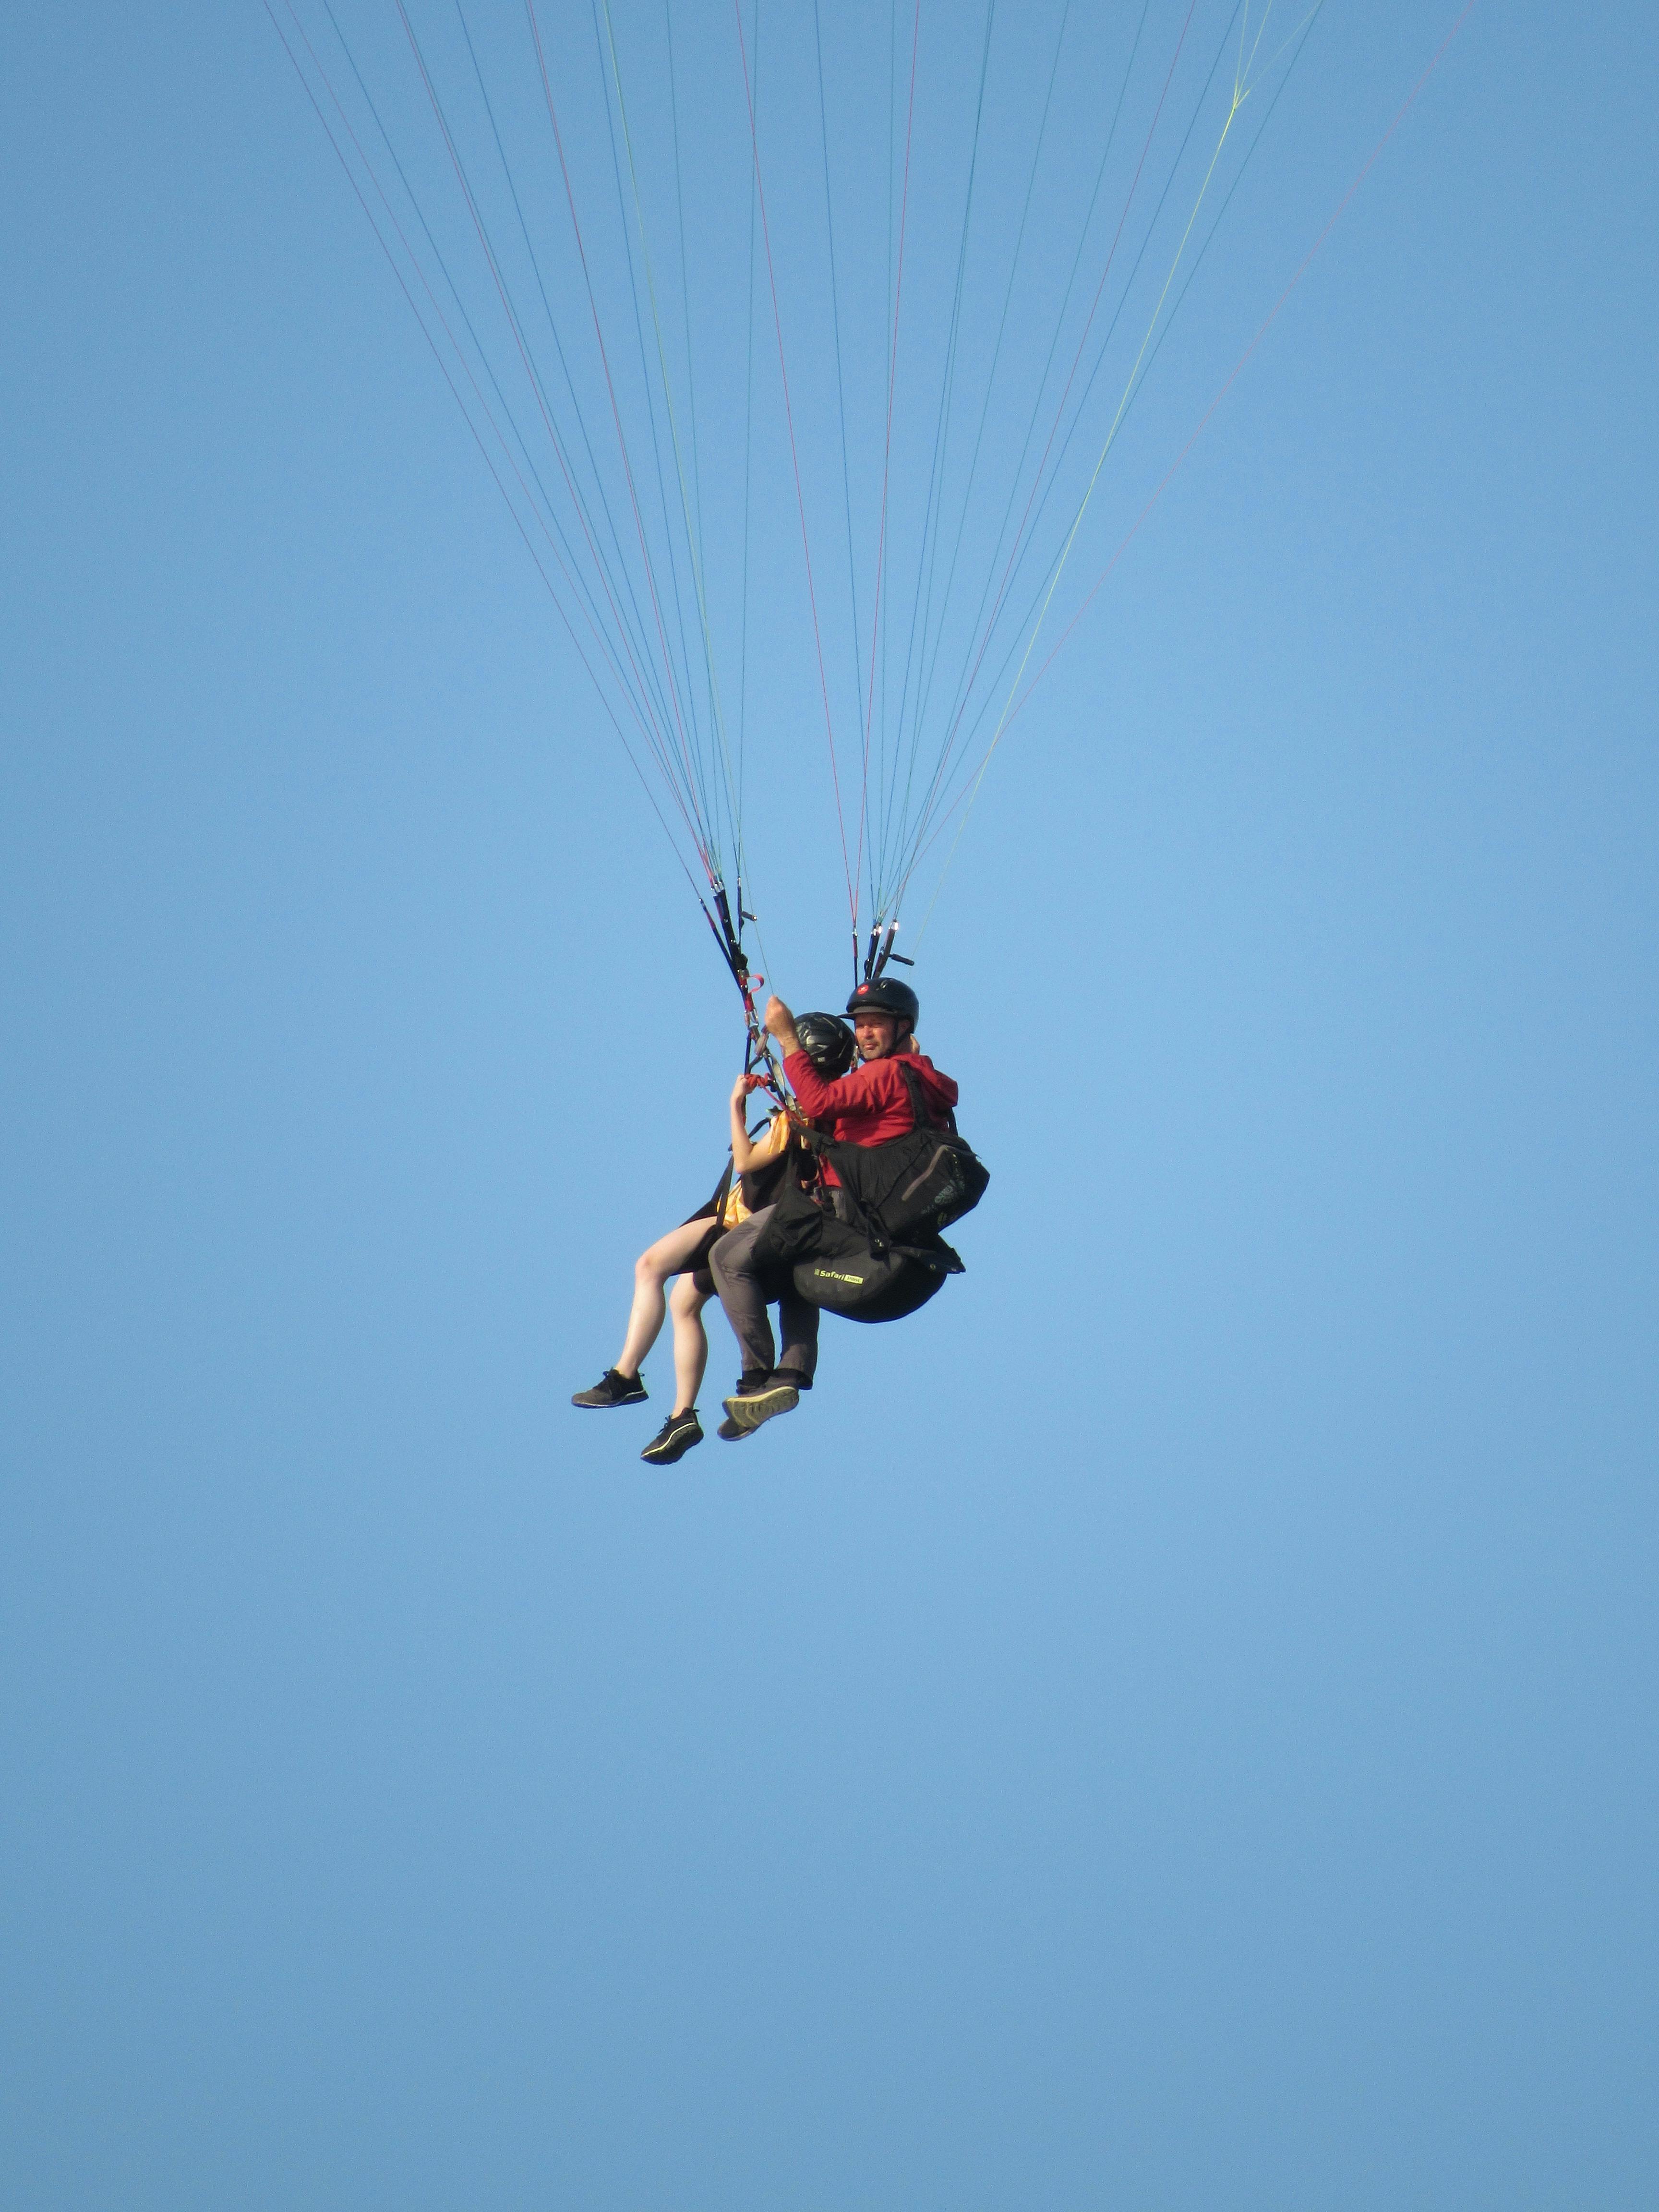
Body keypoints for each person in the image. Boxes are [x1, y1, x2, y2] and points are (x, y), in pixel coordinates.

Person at [570, 1013, 855, 1463]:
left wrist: (736, 1107)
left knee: (649, 1266)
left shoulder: (798, 1118)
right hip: (758, 1223)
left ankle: (626, 1378)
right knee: (685, 1303)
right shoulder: (833, 1115)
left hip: (736, 1219)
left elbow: (744, 1161)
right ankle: (682, 1416)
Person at [712, 976, 960, 1436]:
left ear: (903, 1027)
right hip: (874, 1212)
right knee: (793, 1267)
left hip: (843, 1204)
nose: (865, 1034)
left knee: (726, 1257)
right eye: (861, 1026)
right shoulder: (917, 1077)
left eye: (877, 1025)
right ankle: (790, 1375)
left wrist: (788, 1039)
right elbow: (838, 1112)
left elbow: (820, 1099)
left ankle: (755, 1377)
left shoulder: (886, 1075)